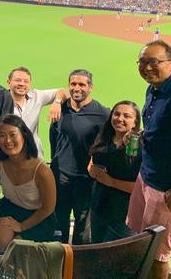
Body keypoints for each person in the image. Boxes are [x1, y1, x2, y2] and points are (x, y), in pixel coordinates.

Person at [127, 41, 171, 279]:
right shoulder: (153, 89)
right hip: (148, 176)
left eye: (154, 61)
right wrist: (144, 135)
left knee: (158, 252)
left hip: (168, 189)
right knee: (140, 238)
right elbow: (164, 128)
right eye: (142, 62)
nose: (146, 67)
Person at [49, 69, 109, 244]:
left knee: (82, 227)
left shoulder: (102, 114)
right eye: (73, 84)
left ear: (90, 87)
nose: (77, 88)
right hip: (60, 176)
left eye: (82, 84)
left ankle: (77, 263)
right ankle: (57, 259)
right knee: (58, 222)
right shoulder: (60, 108)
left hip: (86, 180)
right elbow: (54, 138)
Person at [0, 114, 57, 250]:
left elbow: (48, 208)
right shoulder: (0, 161)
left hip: (38, 218)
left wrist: (22, 226)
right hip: (9, 209)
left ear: (24, 136)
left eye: (13, 134)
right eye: (2, 136)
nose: (8, 141)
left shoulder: (42, 171)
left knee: (17, 249)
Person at [88, 101, 141, 243]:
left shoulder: (136, 145)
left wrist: (110, 181)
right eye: (116, 114)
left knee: (115, 257)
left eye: (127, 116)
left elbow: (139, 188)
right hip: (98, 207)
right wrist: (91, 169)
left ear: (135, 122)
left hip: (122, 215)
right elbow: (93, 159)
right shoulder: (104, 137)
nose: (120, 118)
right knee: (97, 250)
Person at [7, 66, 67, 159]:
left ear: (30, 84)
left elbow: (63, 92)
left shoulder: (37, 96)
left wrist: (57, 102)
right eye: (18, 80)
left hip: (34, 157)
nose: (22, 84)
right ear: (8, 82)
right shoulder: (0, 101)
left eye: (26, 81)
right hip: (8, 158)